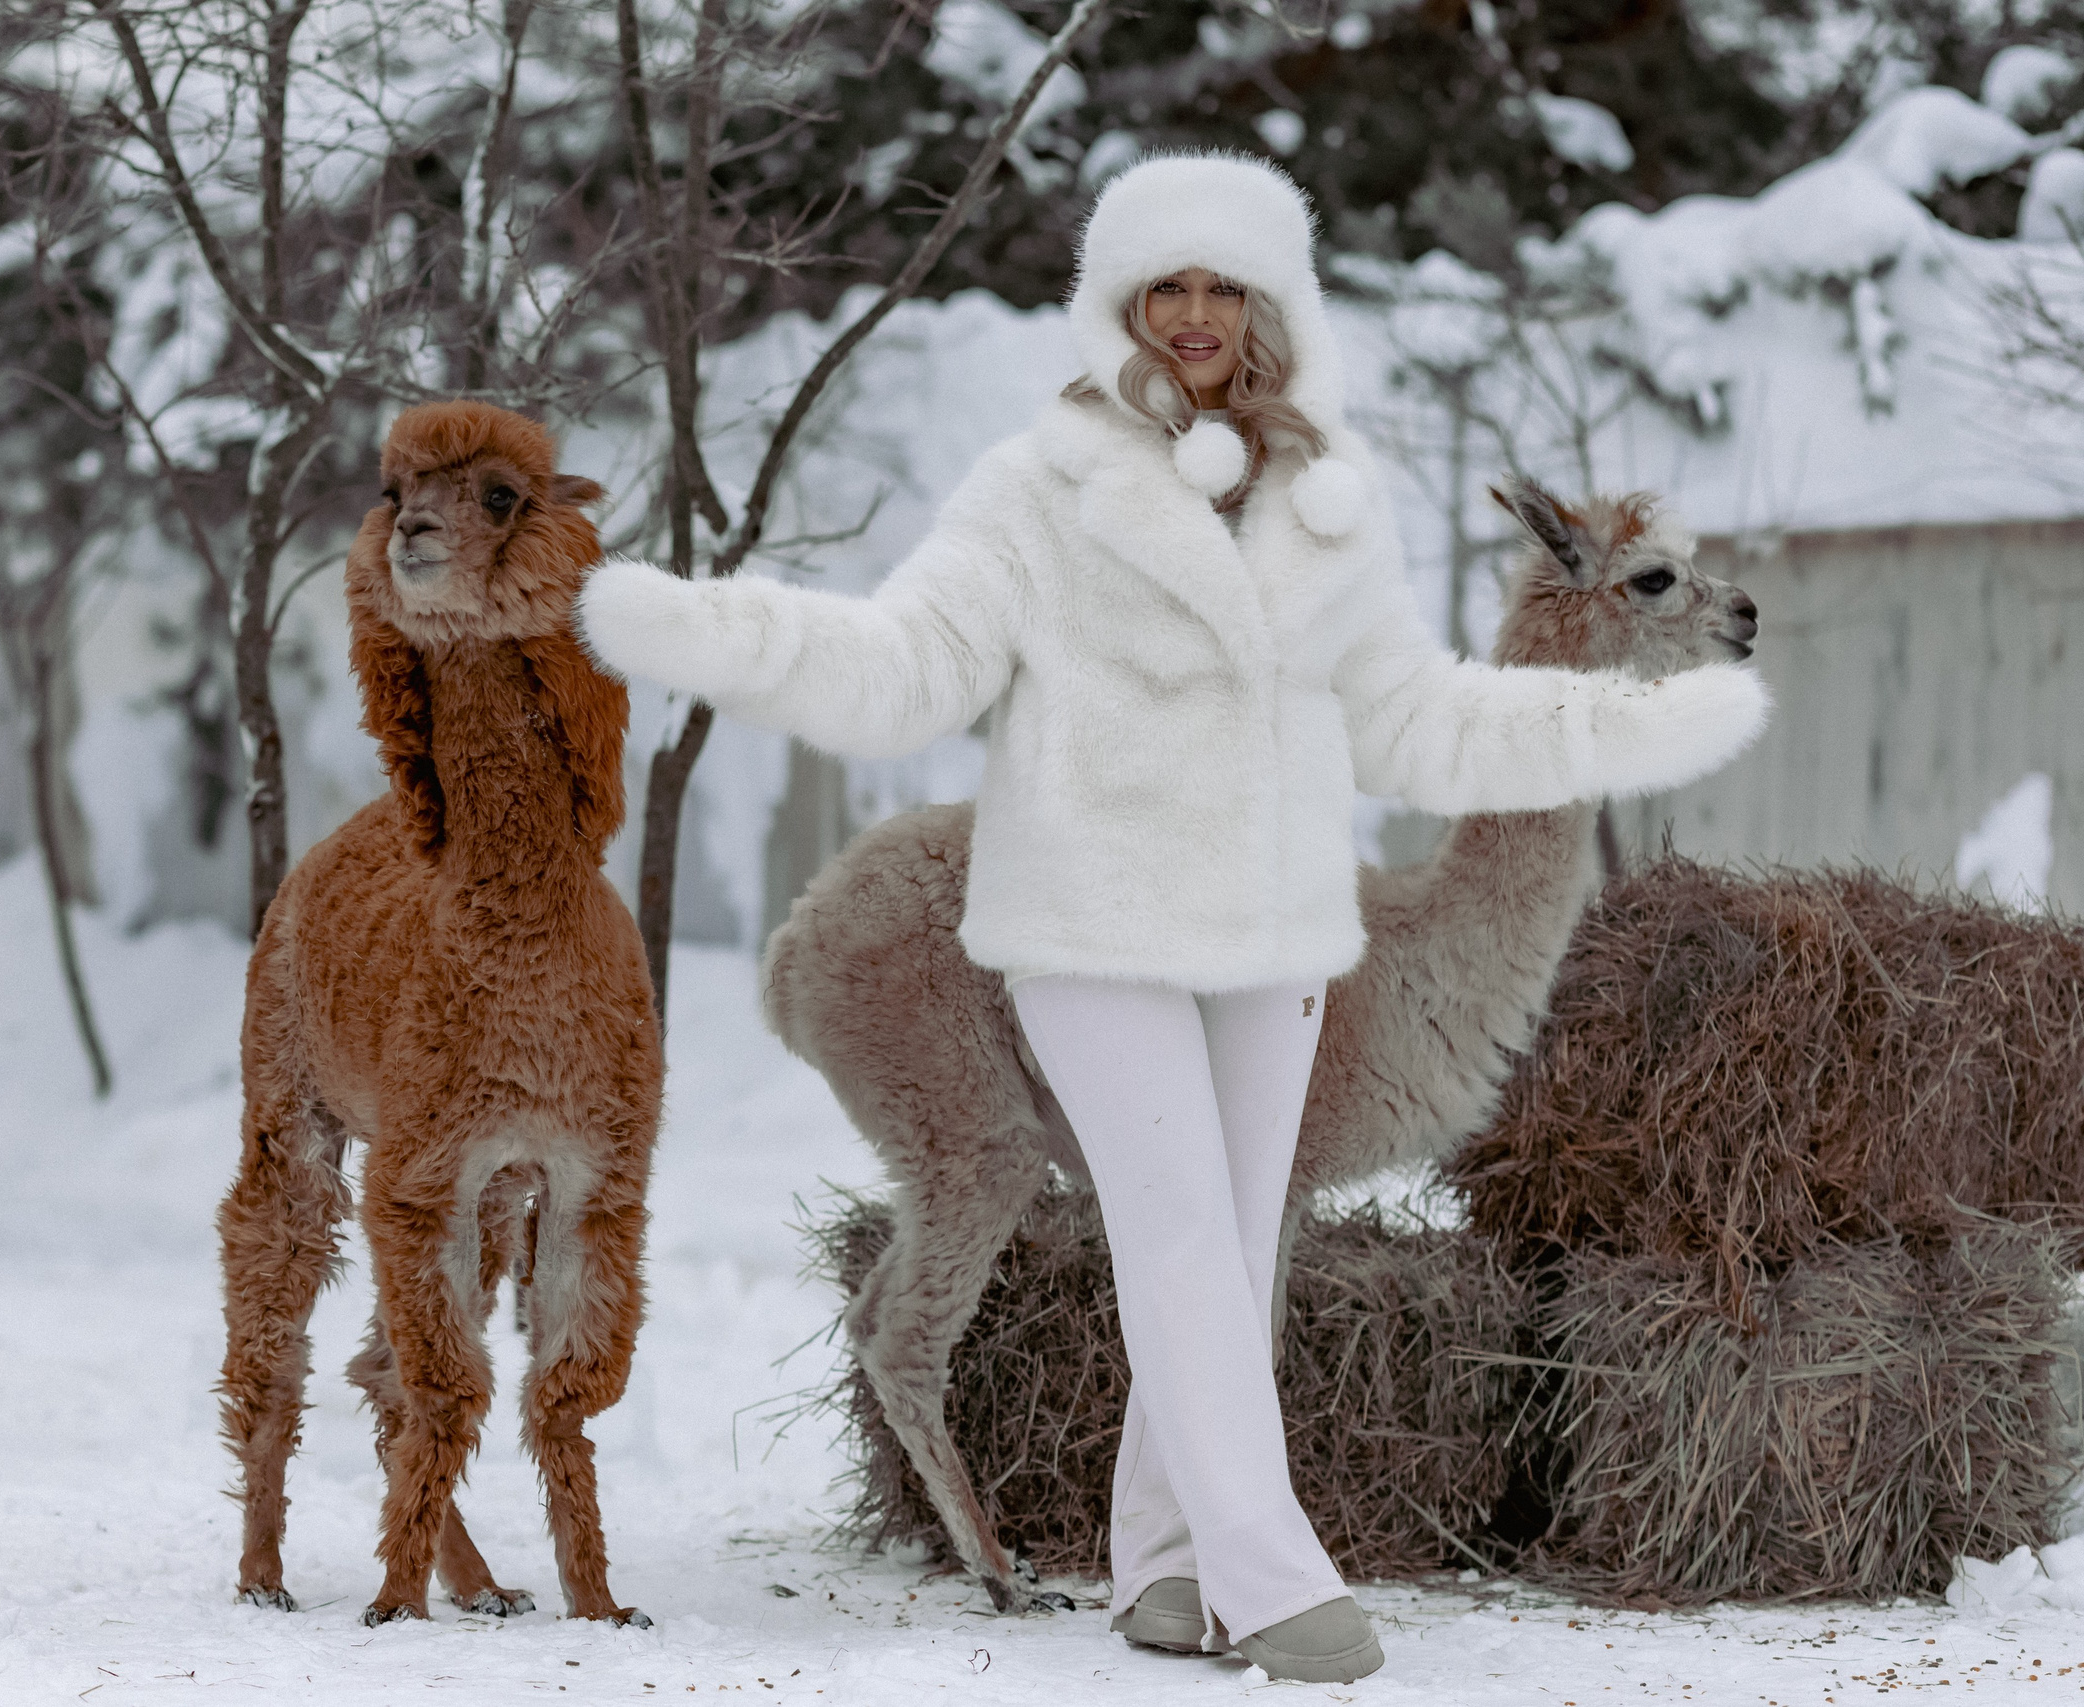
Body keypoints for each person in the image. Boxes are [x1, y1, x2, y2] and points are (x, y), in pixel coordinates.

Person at [576, 153, 1768, 1683]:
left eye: (1224, 286)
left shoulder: (1330, 502)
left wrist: (1624, 734)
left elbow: (1411, 723)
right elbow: (902, 666)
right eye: (1167, 286)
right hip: (1089, 929)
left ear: (1271, 306)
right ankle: (1269, 1581)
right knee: (1185, 1239)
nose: (1195, 315)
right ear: (1121, 302)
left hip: (1278, 942)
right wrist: (709, 629)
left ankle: (1159, 1565)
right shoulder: (1037, 488)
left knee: (1238, 1250)